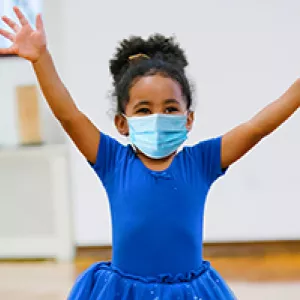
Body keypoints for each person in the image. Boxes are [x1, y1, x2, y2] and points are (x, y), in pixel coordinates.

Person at [1, 7, 299, 300]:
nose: (158, 116)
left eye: (170, 108)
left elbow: (256, 128)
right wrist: (41, 60)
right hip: (122, 293)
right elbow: (69, 115)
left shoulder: (202, 162)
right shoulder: (112, 161)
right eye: (144, 109)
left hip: (189, 293)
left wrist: (296, 92)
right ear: (122, 122)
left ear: (188, 119)